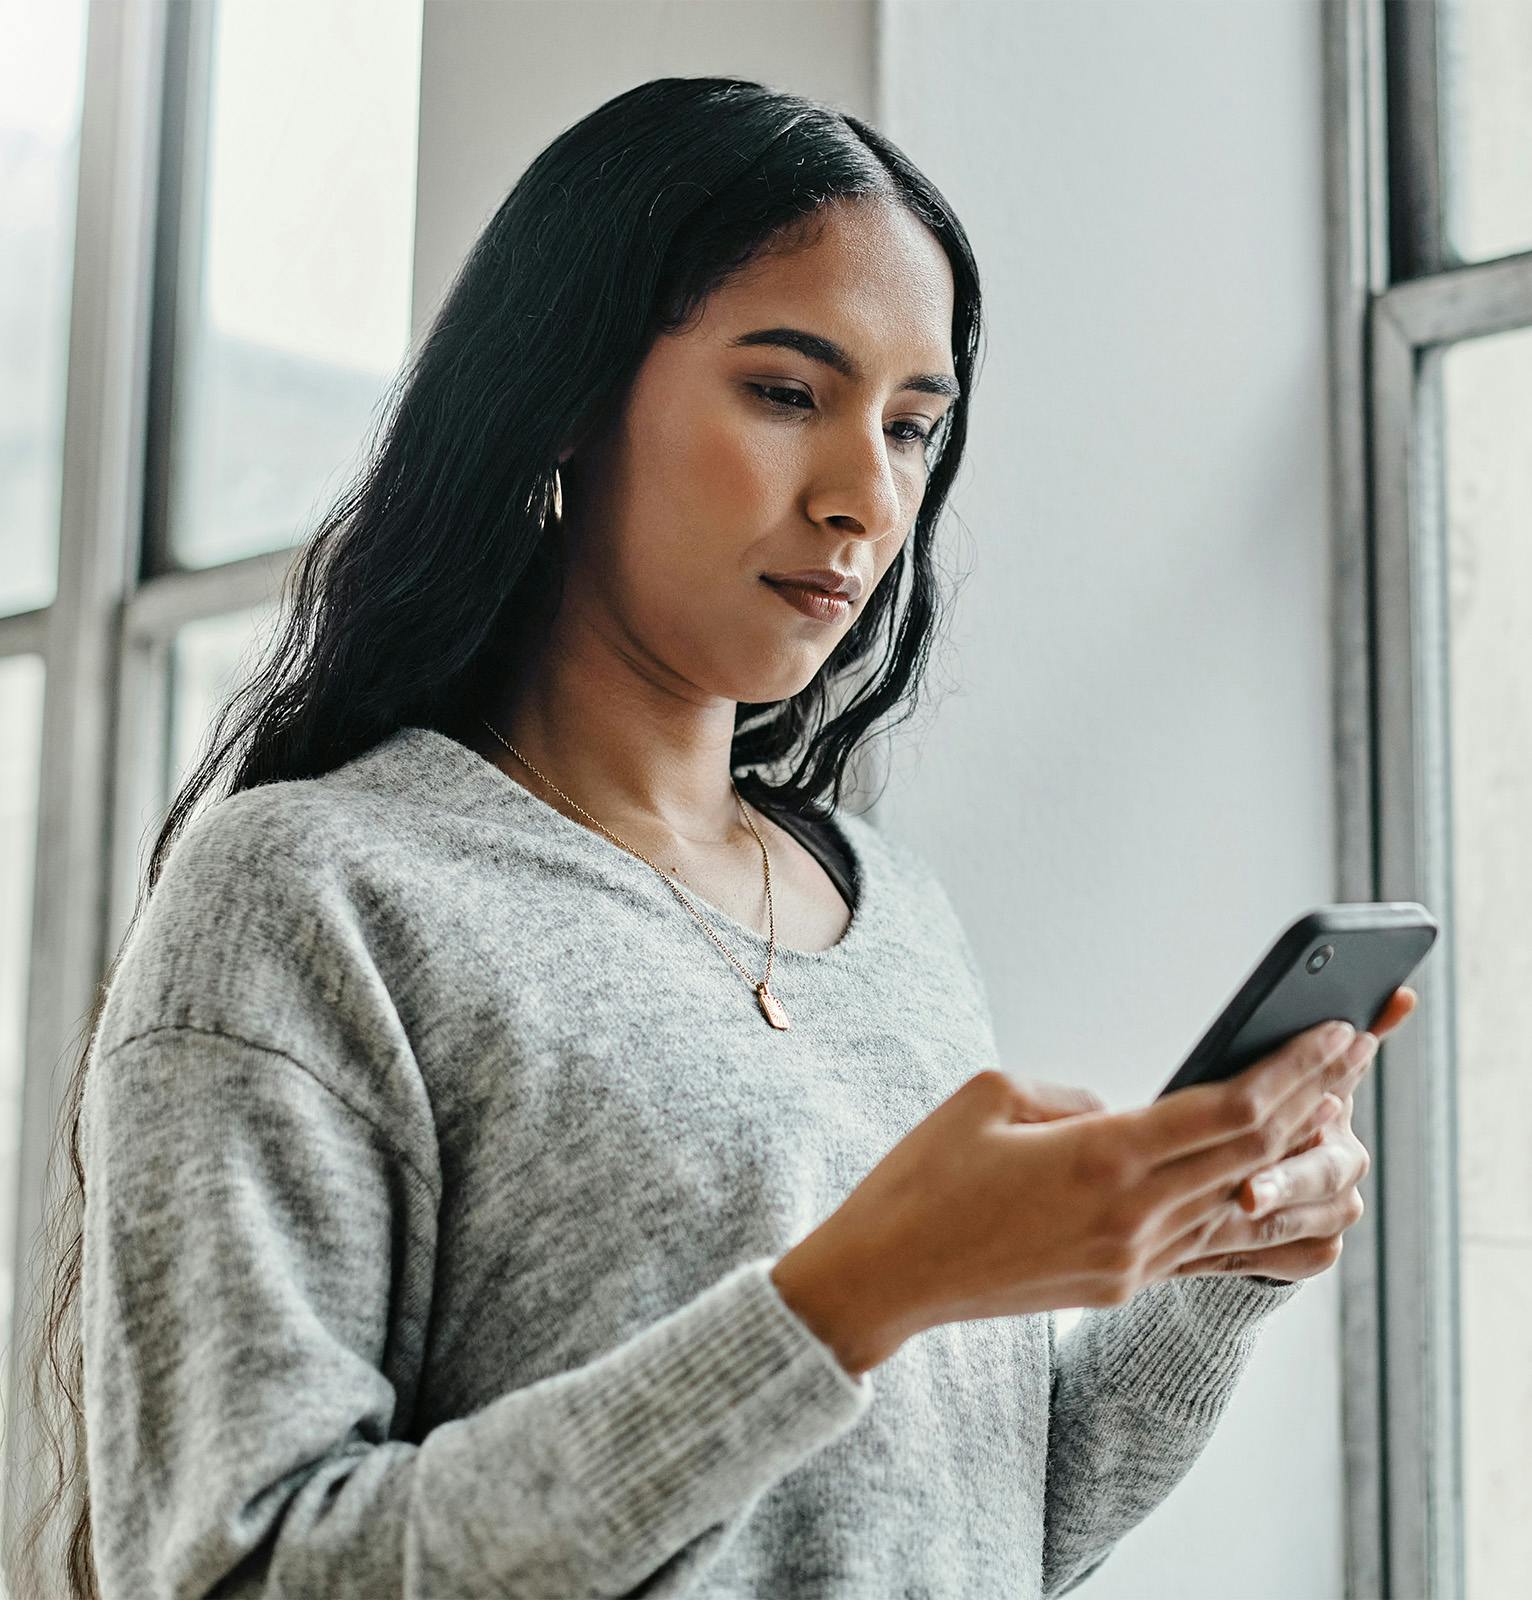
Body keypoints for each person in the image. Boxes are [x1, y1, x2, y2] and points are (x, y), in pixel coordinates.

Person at [11, 75, 1417, 1600]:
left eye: (914, 426)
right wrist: (857, 1292)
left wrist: (1215, 1268)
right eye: (787, 394)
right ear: (563, 399)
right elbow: (239, 1572)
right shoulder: (313, 893)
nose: (866, 499)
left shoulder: (896, 917)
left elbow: (975, 1534)